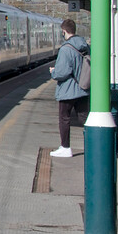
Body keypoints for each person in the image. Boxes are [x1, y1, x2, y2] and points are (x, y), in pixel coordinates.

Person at [49, 19, 90, 157]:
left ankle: (65, 147)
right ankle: (92, 145)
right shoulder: (84, 46)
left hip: (68, 90)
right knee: (85, 118)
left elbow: (62, 72)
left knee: (64, 118)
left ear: (64, 31)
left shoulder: (66, 49)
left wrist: (53, 72)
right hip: (83, 87)